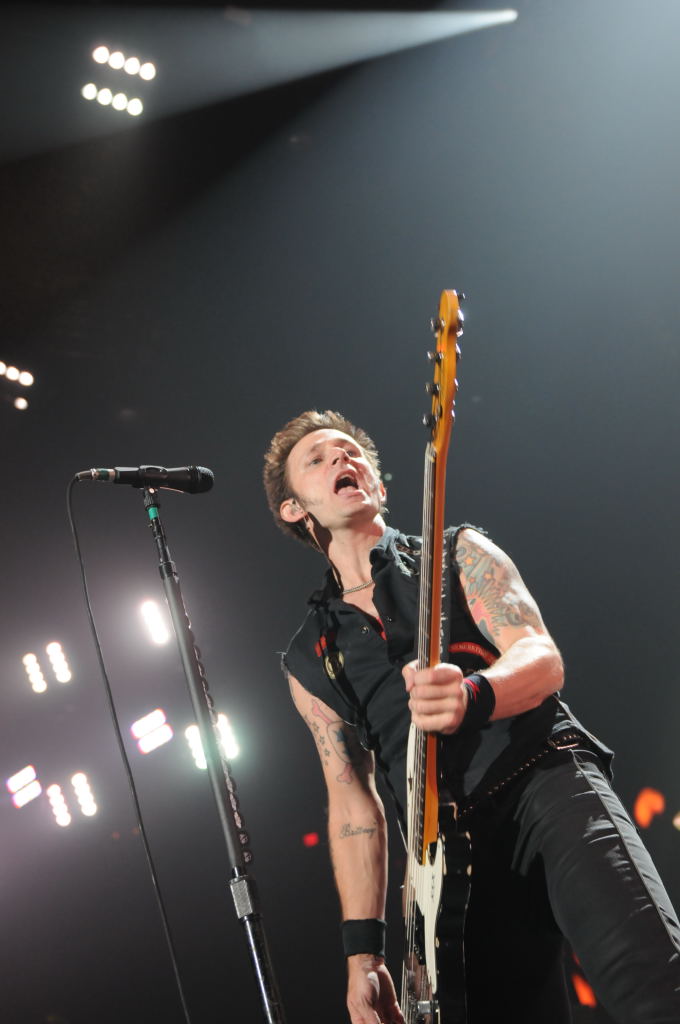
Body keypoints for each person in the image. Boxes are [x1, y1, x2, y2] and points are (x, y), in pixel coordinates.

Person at [263, 409, 680, 1024]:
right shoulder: (312, 655)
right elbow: (352, 804)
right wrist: (362, 955)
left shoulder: (457, 551)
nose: (342, 460)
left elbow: (541, 657)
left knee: (650, 984)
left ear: (378, 484)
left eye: (351, 452)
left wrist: (473, 695)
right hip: (445, 864)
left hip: (543, 781)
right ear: (295, 508)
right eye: (318, 459)